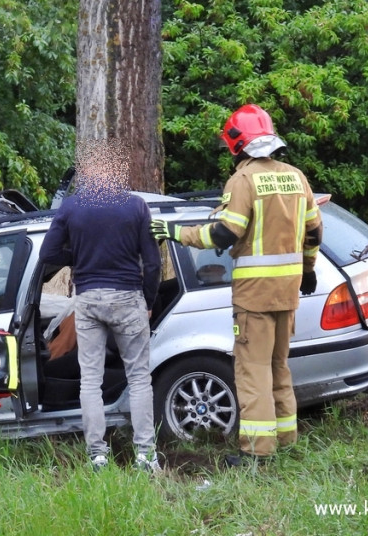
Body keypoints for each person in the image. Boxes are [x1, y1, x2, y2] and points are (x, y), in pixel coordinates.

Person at [151, 104, 323, 467]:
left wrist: (174, 232)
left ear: (237, 144)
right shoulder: (296, 177)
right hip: (288, 292)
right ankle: (286, 438)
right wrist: (308, 268)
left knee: (252, 370)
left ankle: (257, 453)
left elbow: (225, 232)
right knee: (279, 366)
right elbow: (315, 230)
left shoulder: (244, 181)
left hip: (255, 296)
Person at [39, 140, 162, 473]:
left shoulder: (72, 207)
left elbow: (47, 256)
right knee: (139, 379)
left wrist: (77, 256)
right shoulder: (136, 207)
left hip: (89, 299)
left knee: (89, 381)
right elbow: (152, 263)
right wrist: (148, 302)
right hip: (128, 298)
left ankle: (97, 455)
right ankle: (146, 456)